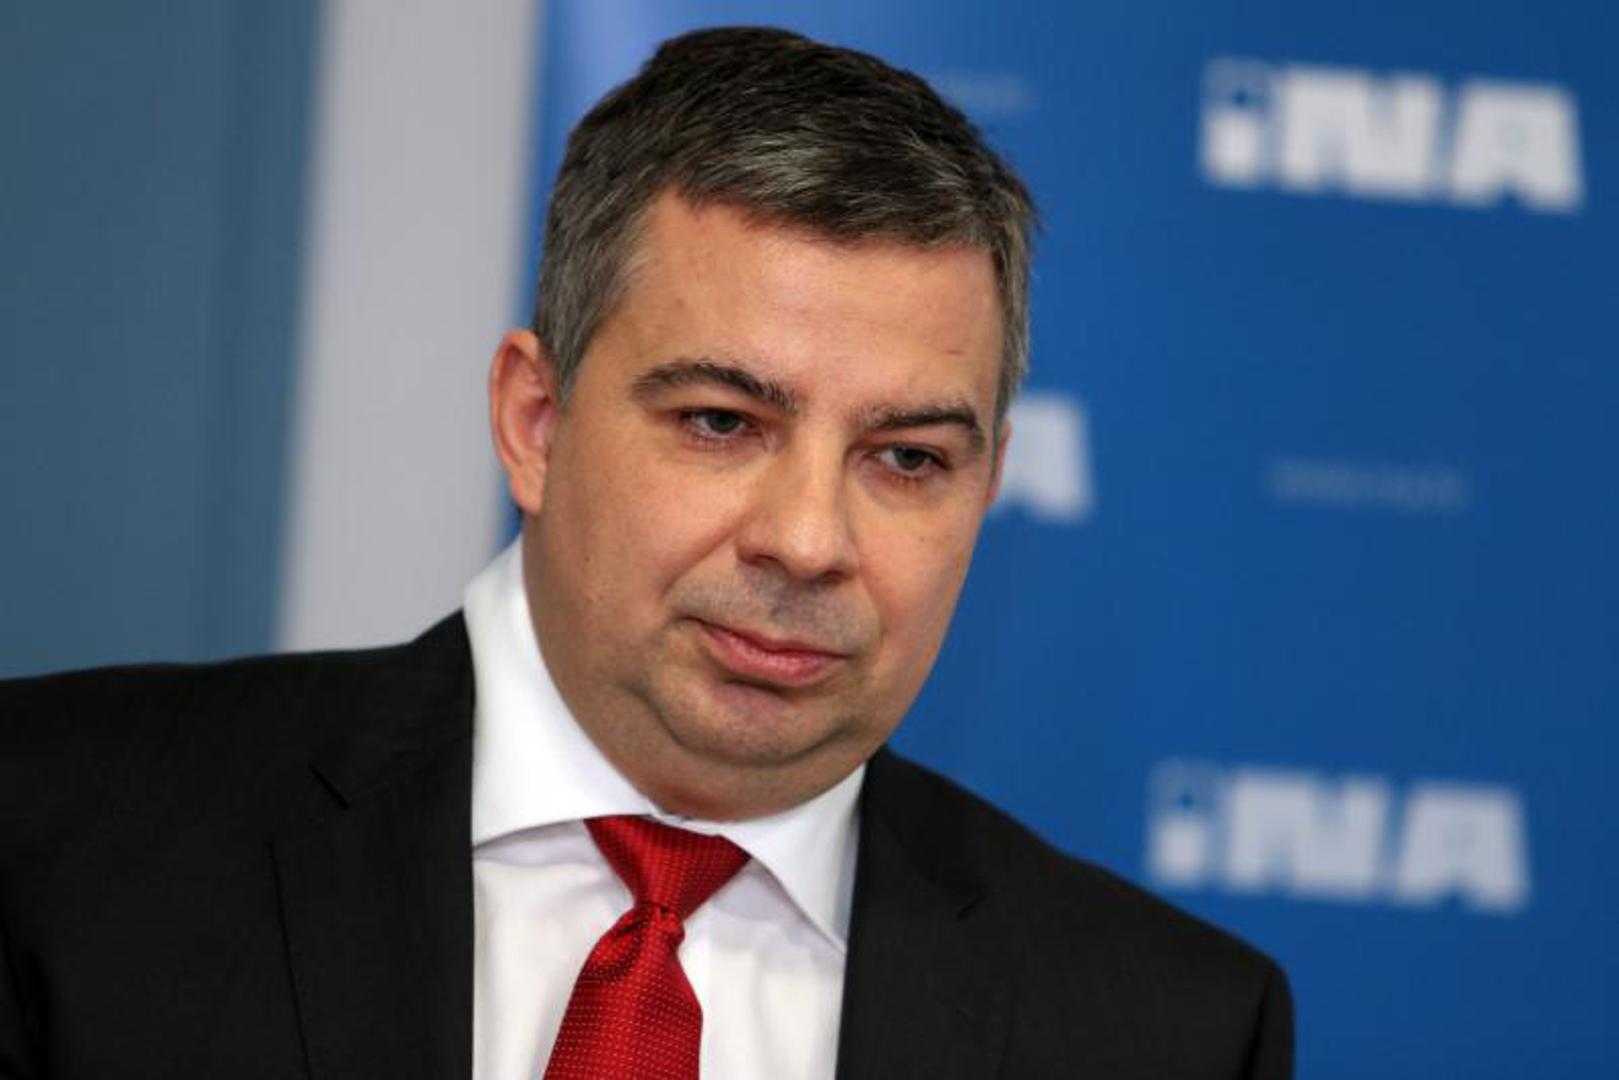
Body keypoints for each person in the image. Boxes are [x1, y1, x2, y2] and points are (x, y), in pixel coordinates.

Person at [0, 26, 1292, 1080]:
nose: (807, 541)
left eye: (906, 457)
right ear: (536, 424)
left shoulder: (1168, 1032)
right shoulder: (52, 837)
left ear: (988, 485)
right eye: (721, 423)